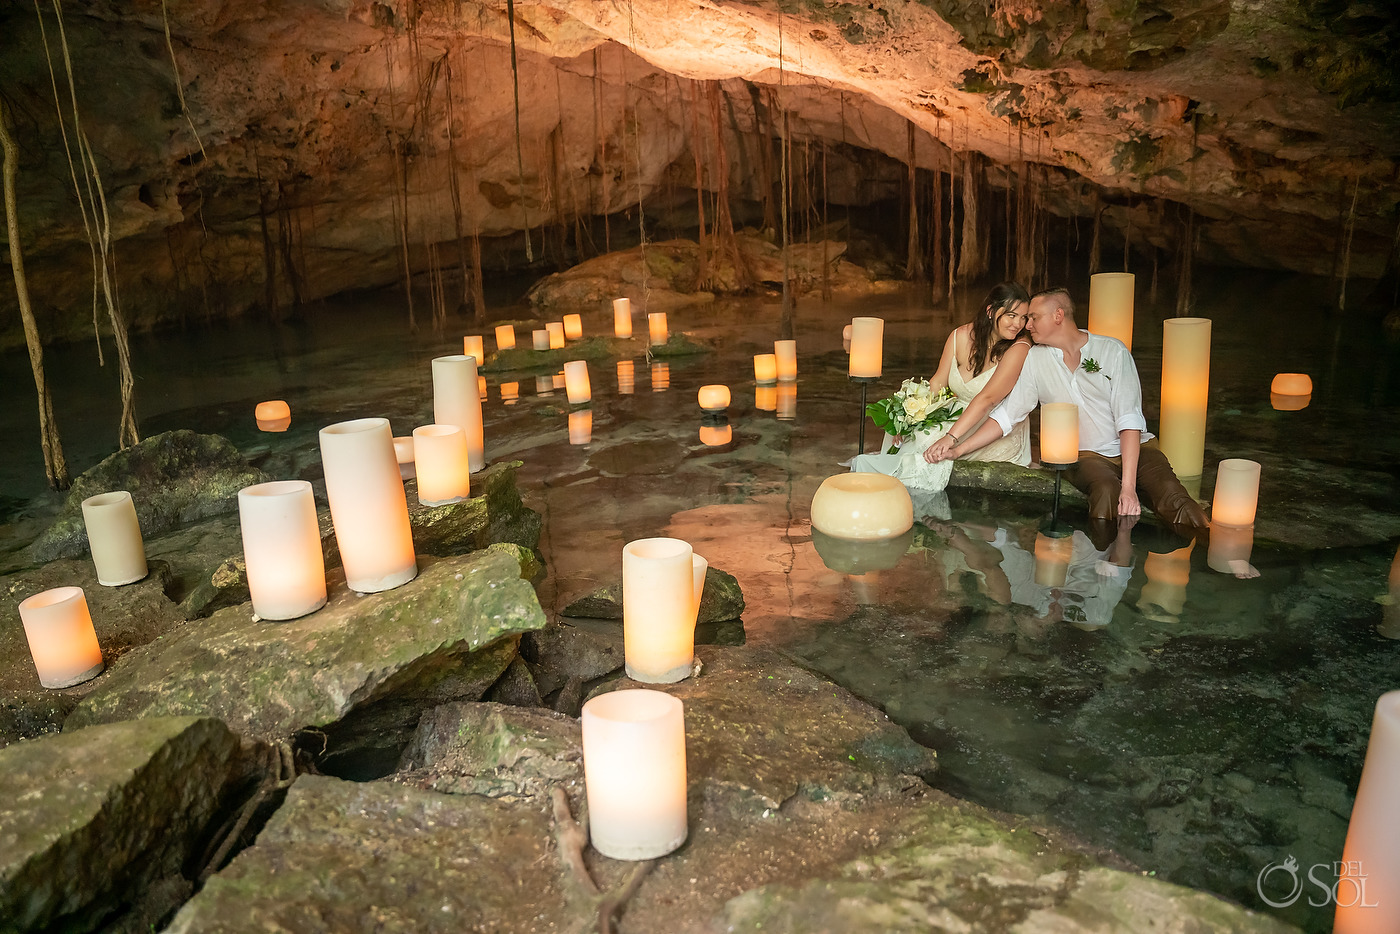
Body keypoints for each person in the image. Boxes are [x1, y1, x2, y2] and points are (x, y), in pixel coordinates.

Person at [927, 286, 1208, 538]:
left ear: (1058, 316)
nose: (1026, 325)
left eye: (1033, 317)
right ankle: (1109, 561)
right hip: (1084, 455)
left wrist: (1130, 487)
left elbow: (1129, 420)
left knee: (1173, 497)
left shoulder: (1113, 351)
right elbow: (1006, 416)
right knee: (1105, 493)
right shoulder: (1035, 358)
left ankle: (1215, 554)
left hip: (1137, 448)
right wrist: (958, 450)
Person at [851, 283, 1033, 491]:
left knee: (930, 444)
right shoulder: (961, 335)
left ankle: (902, 497)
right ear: (991, 311)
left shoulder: (1020, 348)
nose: (1018, 324)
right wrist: (909, 419)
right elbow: (938, 382)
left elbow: (988, 399)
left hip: (990, 421)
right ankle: (884, 492)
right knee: (906, 432)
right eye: (1011, 315)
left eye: (1024, 317)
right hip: (956, 411)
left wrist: (951, 437)